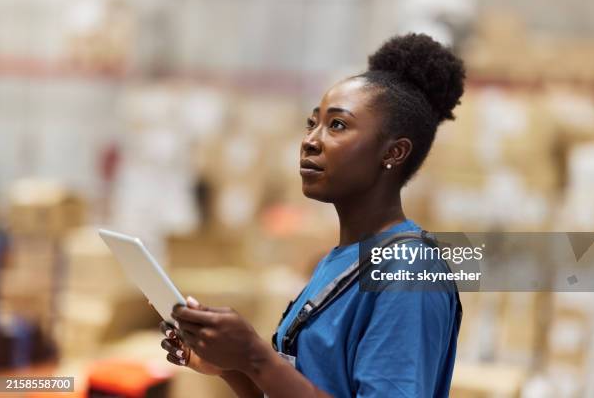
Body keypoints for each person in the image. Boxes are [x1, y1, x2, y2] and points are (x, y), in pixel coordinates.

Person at [159, 33, 465, 397]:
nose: (310, 141)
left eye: (337, 125)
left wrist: (257, 357)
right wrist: (231, 366)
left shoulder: (410, 272)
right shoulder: (339, 261)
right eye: (312, 123)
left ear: (394, 153)